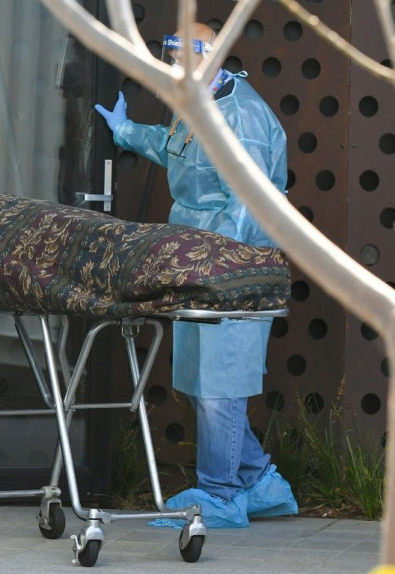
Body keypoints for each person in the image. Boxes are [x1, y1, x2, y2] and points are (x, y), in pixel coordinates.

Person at [95, 23, 298, 528]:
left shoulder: (242, 116)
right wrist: (127, 132)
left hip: (232, 269)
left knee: (219, 387)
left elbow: (251, 200)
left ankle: (222, 495)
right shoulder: (199, 102)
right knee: (198, 381)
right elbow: (176, 149)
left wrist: (212, 260)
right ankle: (261, 481)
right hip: (197, 261)